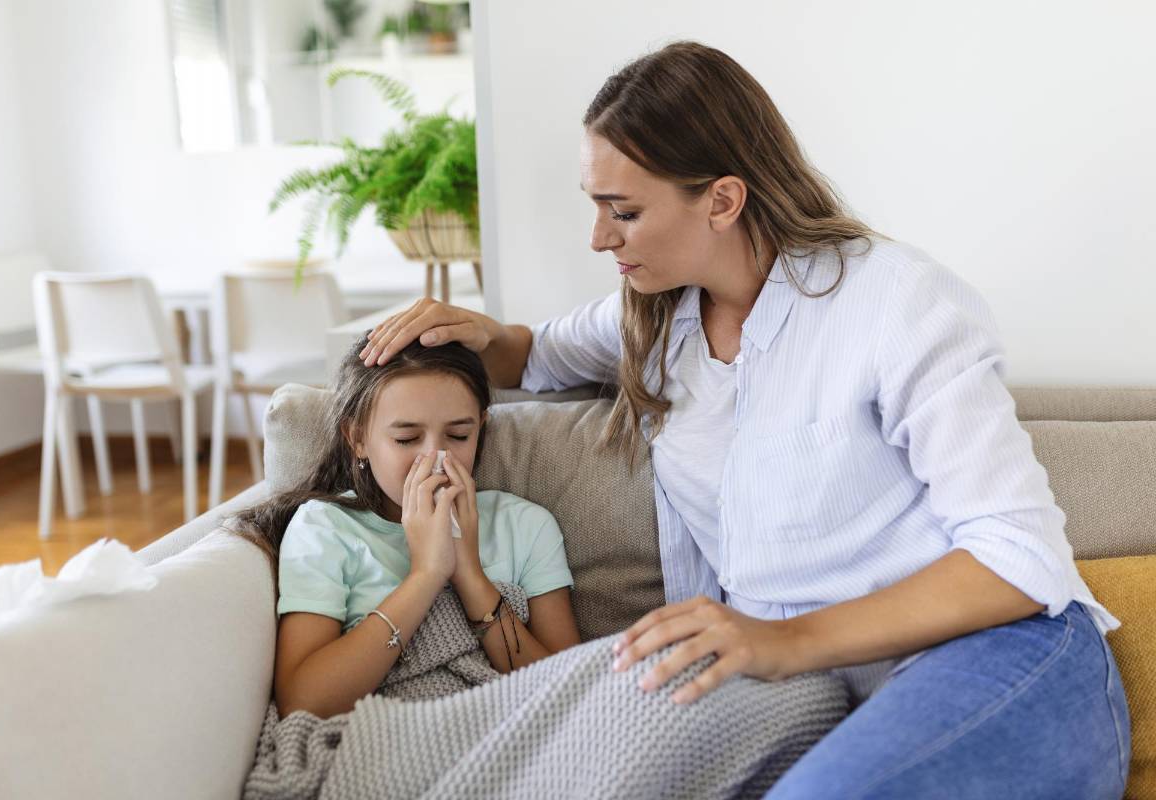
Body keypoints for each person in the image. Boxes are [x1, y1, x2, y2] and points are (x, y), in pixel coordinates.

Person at [356, 40, 1130, 798]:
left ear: (723, 200)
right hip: (803, 688)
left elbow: (1018, 557)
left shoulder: (898, 303)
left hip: (987, 656)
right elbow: (533, 356)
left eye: (622, 210)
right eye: (595, 206)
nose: (598, 237)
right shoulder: (655, 318)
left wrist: (780, 641)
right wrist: (465, 331)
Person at [232, 337, 581, 720]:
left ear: (481, 427)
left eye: (459, 435)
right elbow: (304, 702)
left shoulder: (527, 526)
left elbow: (573, 689)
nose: (435, 460)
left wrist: (469, 574)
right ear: (358, 438)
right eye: (407, 439)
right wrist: (427, 574)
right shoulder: (324, 529)